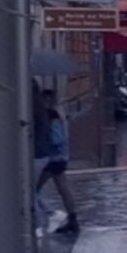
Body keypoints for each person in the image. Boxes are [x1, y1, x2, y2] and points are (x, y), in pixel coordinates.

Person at [38, 89, 79, 234]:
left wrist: (44, 140)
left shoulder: (52, 116)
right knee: (63, 189)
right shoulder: (58, 114)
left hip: (54, 159)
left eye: (45, 99)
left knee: (33, 189)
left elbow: (57, 139)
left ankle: (50, 214)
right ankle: (72, 219)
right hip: (60, 158)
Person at [31, 80, 53, 236]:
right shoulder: (41, 108)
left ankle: (38, 225)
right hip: (43, 154)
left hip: (36, 154)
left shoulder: (32, 110)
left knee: (29, 192)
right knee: (32, 191)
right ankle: (52, 214)